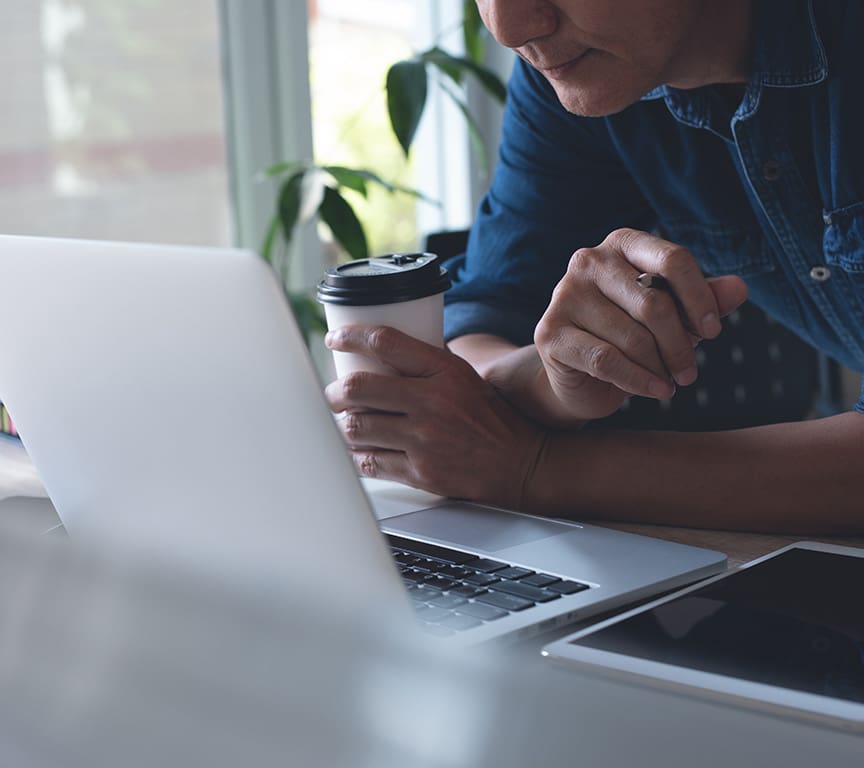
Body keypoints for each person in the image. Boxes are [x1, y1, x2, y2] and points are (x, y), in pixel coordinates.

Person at [323, 0, 864, 533]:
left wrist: (535, 470)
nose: (508, 27)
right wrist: (547, 381)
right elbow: (483, 322)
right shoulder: (580, 70)